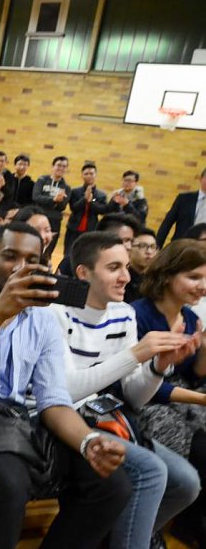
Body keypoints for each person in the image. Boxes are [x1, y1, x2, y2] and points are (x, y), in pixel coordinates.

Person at [0, 222, 132, 549]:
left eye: (32, 260)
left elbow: (53, 400)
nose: (21, 268)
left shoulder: (43, 317)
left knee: (112, 484)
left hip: (11, 426)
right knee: (7, 478)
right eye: (10, 256)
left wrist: (88, 440)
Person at [54, 232, 200, 548]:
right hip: (60, 419)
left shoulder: (123, 313)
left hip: (105, 416)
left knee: (186, 483)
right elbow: (64, 392)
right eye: (114, 268)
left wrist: (158, 366)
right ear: (83, 272)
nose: (126, 276)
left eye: (125, 266)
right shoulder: (55, 313)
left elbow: (134, 396)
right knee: (151, 472)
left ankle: (125, 537)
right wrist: (134, 355)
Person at [131, 240, 206, 544]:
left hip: (180, 396)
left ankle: (190, 522)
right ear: (167, 275)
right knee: (200, 448)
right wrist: (200, 399)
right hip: (143, 402)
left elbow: (193, 375)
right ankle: (154, 526)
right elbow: (148, 389)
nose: (202, 286)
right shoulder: (137, 315)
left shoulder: (190, 318)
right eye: (194, 277)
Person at [64, 163, 109, 254]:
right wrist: (84, 199)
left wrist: (91, 202)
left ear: (95, 175)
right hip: (73, 229)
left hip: (91, 229)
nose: (89, 176)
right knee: (69, 253)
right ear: (82, 175)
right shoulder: (75, 191)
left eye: (91, 173)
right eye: (86, 174)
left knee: (86, 254)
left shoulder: (101, 194)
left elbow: (103, 210)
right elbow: (73, 208)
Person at [32, 155, 71, 255]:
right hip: (39, 218)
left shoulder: (66, 187)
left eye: (64, 166)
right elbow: (36, 197)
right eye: (59, 165)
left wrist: (59, 201)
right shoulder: (42, 180)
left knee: (48, 250)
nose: (61, 168)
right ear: (53, 166)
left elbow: (62, 207)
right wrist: (54, 199)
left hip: (54, 221)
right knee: (33, 245)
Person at [157, 169, 206, 247]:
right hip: (180, 245)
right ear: (201, 179)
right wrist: (157, 246)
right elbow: (167, 223)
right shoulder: (184, 199)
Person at [126, 227, 157, 303]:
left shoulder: (158, 280)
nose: (149, 251)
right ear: (129, 248)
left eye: (153, 247)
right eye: (143, 246)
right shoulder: (123, 279)